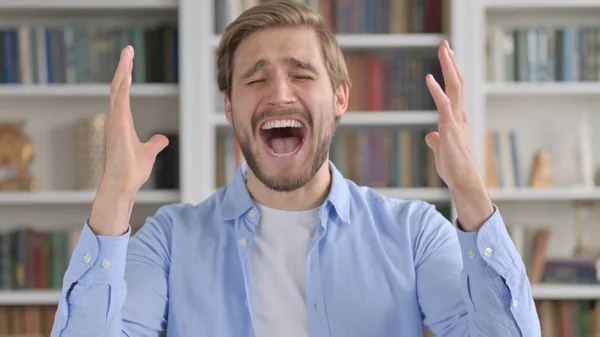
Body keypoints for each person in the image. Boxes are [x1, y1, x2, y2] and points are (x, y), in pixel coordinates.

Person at [51, 1, 541, 336]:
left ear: (340, 98)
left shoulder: (414, 235)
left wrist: (472, 194)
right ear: (229, 106)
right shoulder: (169, 240)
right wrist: (114, 196)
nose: (280, 93)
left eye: (302, 74)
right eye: (255, 78)